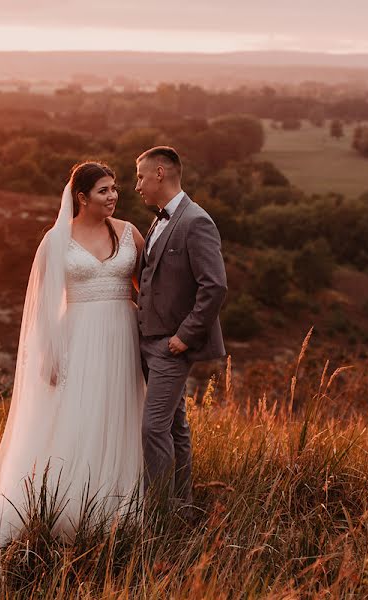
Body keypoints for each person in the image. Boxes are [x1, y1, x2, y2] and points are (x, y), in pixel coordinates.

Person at [0, 162, 147, 548]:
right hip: (79, 339)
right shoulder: (55, 242)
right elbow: (41, 308)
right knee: (80, 415)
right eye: (104, 190)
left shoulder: (129, 233)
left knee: (119, 411)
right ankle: (69, 503)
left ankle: (122, 498)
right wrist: (49, 354)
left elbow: (146, 287)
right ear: (82, 197)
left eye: (115, 189)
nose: (113, 196)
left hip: (123, 335)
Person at [134, 146, 227, 511]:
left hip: (171, 347)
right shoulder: (158, 219)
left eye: (141, 176)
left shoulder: (195, 221)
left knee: (153, 429)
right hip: (149, 341)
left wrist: (184, 336)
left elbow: (214, 285)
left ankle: (157, 514)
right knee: (174, 427)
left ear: (160, 173)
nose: (137, 185)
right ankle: (181, 505)